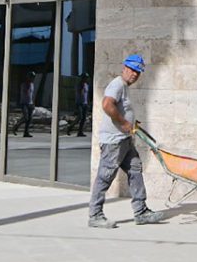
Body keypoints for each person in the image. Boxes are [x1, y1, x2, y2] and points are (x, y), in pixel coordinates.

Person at [88, 54, 164, 228]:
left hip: (125, 140)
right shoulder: (117, 84)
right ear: (125, 68)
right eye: (132, 70)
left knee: (135, 169)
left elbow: (121, 109)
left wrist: (131, 122)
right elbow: (107, 104)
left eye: (138, 72)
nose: (135, 74)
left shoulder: (124, 87)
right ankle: (95, 214)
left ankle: (141, 211)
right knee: (105, 176)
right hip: (114, 142)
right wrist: (123, 123)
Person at [12, 71, 36, 138]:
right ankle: (16, 126)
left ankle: (26, 132)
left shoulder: (32, 85)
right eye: (31, 77)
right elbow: (25, 93)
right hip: (24, 103)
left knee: (29, 119)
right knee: (26, 117)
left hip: (30, 103)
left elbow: (31, 95)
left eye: (33, 77)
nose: (32, 79)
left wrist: (33, 103)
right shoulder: (24, 84)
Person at [66, 73, 90, 137]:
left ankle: (80, 132)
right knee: (80, 117)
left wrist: (87, 103)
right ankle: (70, 127)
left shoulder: (86, 85)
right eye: (84, 78)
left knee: (83, 118)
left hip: (85, 103)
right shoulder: (79, 85)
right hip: (79, 103)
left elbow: (86, 95)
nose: (85, 79)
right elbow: (80, 94)